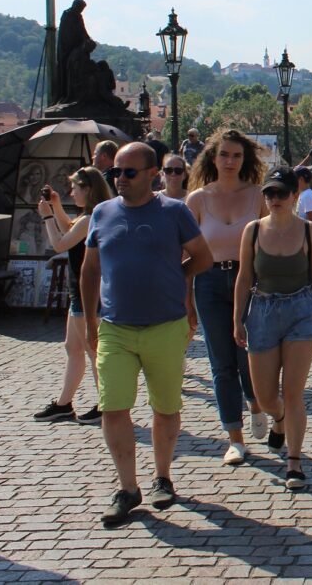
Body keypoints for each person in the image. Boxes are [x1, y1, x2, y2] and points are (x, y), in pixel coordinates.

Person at [80, 142, 214, 527]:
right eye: (116, 172)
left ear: (153, 173)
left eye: (129, 172)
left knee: (166, 407)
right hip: (116, 328)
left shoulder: (174, 212)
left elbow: (202, 257)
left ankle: (163, 477)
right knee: (113, 407)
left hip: (166, 326)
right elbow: (90, 271)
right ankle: (127, 488)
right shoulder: (102, 213)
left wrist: (178, 276)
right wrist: (90, 321)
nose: (120, 178)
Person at [233, 168, 312, 489]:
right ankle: (277, 421)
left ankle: (294, 461)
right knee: (264, 396)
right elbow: (245, 278)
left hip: (301, 310)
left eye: (281, 193)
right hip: (261, 311)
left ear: (294, 196)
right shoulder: (252, 231)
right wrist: (238, 319)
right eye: (269, 194)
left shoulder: (309, 232)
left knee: (293, 392)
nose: (274, 199)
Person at [185, 130, 269, 466]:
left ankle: (257, 402)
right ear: (213, 159)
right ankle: (234, 438)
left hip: (250, 282)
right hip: (209, 283)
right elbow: (184, 254)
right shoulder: (198, 200)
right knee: (221, 363)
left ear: (245, 159)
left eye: (236, 155)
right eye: (224, 155)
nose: (230, 161)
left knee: (249, 355)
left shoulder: (258, 196)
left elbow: (272, 242)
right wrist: (184, 300)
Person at [32, 166, 113, 425]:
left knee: (92, 350)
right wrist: (56, 207)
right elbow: (70, 227)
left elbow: (61, 243)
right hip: (79, 290)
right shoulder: (91, 215)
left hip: (86, 291)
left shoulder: (91, 219)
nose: (71, 192)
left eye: (75, 188)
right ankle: (64, 404)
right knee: (74, 347)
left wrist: (46, 218)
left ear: (88, 190)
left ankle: (106, 405)